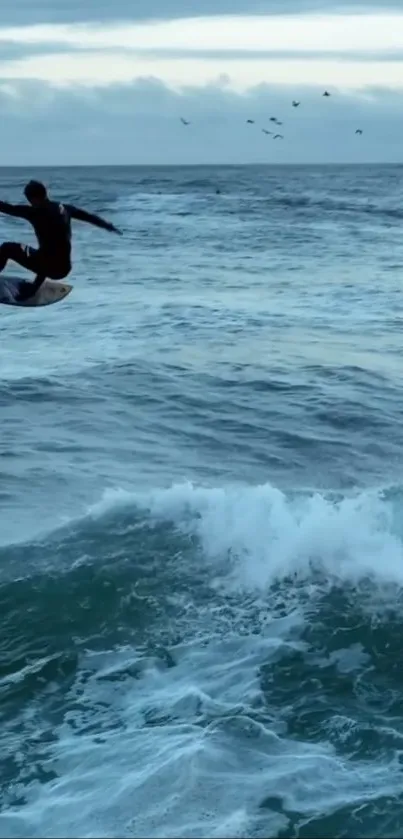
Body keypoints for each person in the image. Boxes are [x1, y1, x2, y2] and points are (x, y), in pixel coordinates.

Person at [0, 180, 122, 300]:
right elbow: (89, 217)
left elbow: (7, 208)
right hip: (64, 268)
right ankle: (34, 286)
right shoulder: (65, 208)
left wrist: (34, 288)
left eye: (29, 199)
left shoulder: (34, 212)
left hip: (48, 267)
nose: (29, 202)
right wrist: (108, 226)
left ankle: (33, 289)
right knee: (49, 248)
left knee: (7, 248)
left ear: (34, 198)